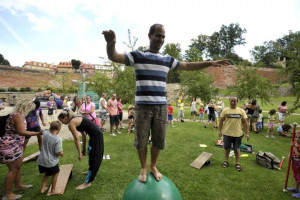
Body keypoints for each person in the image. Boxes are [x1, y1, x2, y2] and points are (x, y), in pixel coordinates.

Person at [103, 24, 231, 182]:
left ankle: (153, 165)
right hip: (142, 106)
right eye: (158, 35)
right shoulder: (137, 56)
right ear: (149, 35)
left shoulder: (167, 60)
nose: (161, 39)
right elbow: (114, 56)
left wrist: (210, 63)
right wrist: (111, 43)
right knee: (141, 139)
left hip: (161, 107)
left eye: (163, 36)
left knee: (159, 140)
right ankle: (143, 167)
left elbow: (188, 66)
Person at [0, 99, 43, 200]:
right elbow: (21, 132)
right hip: (10, 147)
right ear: (27, 107)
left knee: (18, 166)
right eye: (31, 108)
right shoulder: (18, 116)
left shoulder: (17, 114)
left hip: (15, 145)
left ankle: (18, 185)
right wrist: (37, 133)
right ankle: (7, 194)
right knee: (13, 169)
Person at [58, 110, 104, 190]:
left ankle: (88, 182)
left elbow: (76, 139)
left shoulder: (71, 123)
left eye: (61, 121)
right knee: (91, 153)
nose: (62, 123)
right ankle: (91, 171)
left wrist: (79, 153)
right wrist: (83, 148)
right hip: (94, 136)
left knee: (95, 157)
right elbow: (83, 135)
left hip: (96, 137)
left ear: (65, 117)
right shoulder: (76, 118)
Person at [218, 96, 249, 172]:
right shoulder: (225, 110)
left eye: (234, 101)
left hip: (238, 134)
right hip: (227, 133)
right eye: (231, 101)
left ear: (237, 101)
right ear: (229, 101)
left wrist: (247, 133)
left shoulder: (241, 111)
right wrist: (219, 130)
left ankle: (237, 163)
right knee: (227, 148)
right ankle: (226, 161)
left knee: (237, 149)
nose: (233, 102)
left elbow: (245, 122)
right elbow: (221, 121)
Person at [37, 121, 64, 195]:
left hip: (41, 160)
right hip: (50, 162)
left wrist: (48, 128)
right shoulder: (58, 139)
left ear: (50, 127)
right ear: (59, 128)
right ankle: (53, 190)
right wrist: (62, 154)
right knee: (56, 173)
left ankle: (43, 188)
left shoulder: (45, 133)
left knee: (46, 173)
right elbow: (58, 152)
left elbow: (42, 131)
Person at [288, 130, 300, 198]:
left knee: (299, 178)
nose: (297, 139)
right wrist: (290, 156)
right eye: (296, 137)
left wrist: (294, 147)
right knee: (296, 177)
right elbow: (292, 152)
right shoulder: (295, 143)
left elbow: (298, 154)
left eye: (299, 138)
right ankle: (296, 189)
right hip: (295, 162)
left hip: (299, 163)